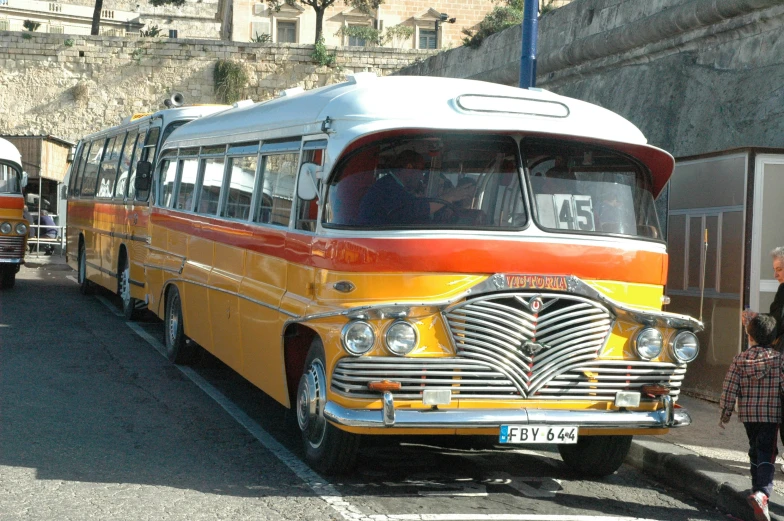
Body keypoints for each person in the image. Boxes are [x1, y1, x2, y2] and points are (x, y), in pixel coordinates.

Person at [719, 314, 784, 521]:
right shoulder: (779, 360)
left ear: (749, 336)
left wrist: (725, 412)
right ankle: (763, 493)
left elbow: (729, 387)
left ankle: (757, 491)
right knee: (767, 452)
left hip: (748, 415)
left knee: (754, 450)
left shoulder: (739, 359)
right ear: (775, 339)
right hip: (771, 415)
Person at [357, 150, 472, 226]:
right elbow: (416, 209)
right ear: (409, 167)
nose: (422, 176)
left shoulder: (391, 185)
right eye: (421, 171)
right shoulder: (388, 188)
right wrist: (449, 197)